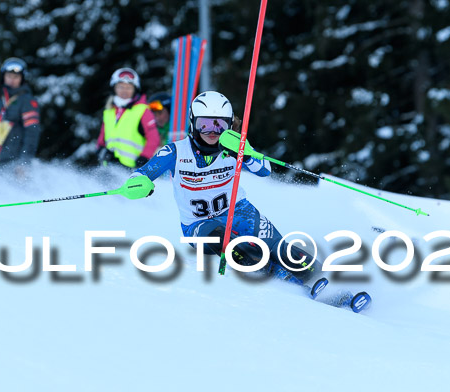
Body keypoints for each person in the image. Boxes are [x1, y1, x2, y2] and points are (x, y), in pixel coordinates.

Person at [126, 91, 322, 288]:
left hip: (239, 209)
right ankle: (282, 283)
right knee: (241, 249)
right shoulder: (175, 152)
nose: (212, 131)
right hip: (198, 224)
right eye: (205, 124)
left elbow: (265, 170)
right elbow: (142, 173)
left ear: (228, 125)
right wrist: (138, 184)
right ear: (193, 122)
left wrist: (245, 155)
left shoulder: (234, 145)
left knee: (280, 249)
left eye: (219, 124)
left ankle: (327, 282)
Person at [96, 67, 161, 169]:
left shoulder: (143, 110)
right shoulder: (109, 111)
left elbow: (154, 138)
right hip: (109, 167)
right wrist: (100, 150)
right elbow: (102, 138)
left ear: (135, 89)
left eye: (129, 87)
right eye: (121, 87)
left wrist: (144, 157)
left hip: (132, 169)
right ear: (114, 88)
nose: (124, 91)